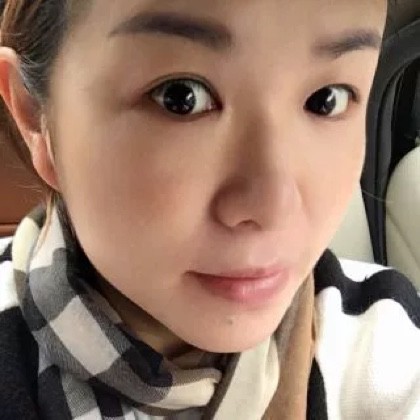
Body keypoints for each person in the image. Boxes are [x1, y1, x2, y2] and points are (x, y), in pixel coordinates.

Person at [0, 0, 419, 418]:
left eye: (326, 100)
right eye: (180, 97)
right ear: (35, 117)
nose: (273, 207)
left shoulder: (391, 345)